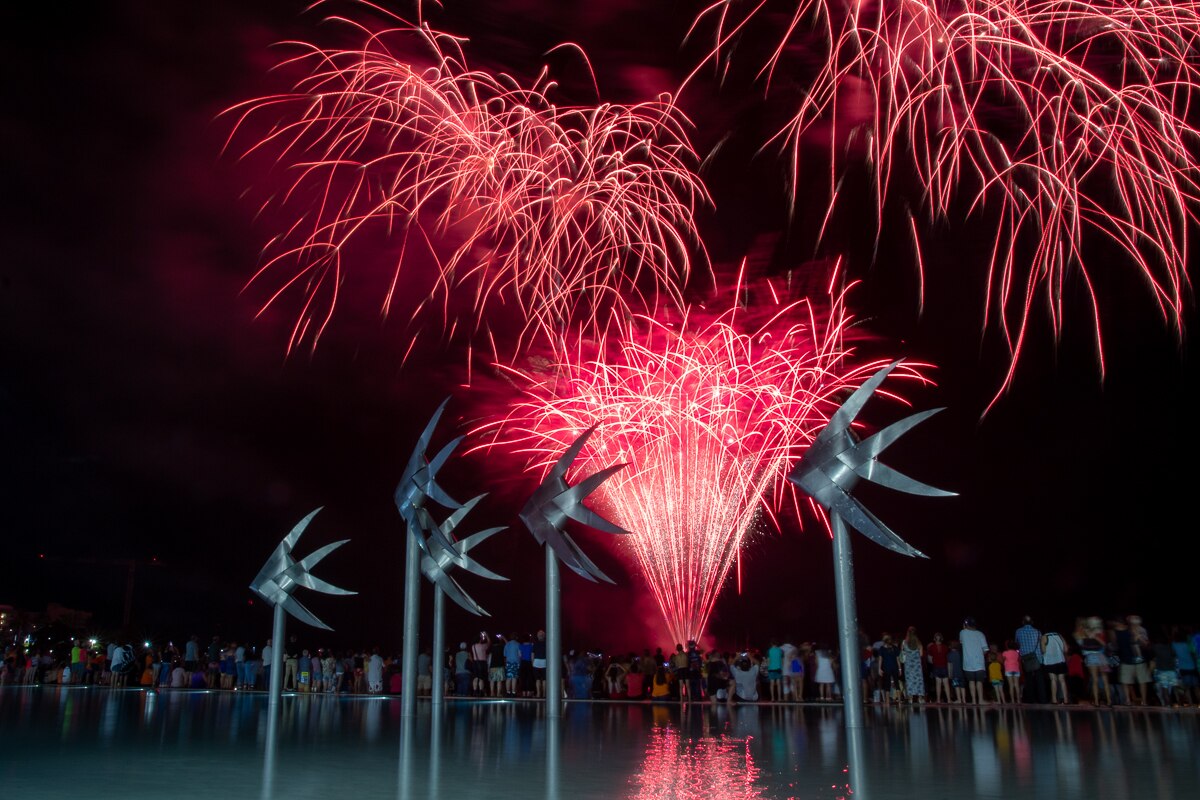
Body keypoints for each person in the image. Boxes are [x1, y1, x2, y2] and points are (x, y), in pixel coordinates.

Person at [1075, 617, 1111, 706]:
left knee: (1104, 679)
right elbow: (1081, 644)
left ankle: (1109, 701)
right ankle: (1097, 701)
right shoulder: (1083, 633)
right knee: (1095, 679)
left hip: (1100, 656)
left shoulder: (1099, 632)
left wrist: (1095, 637)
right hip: (1092, 656)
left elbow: (1104, 644)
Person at [1015, 616, 1046, 703]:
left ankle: (1031, 699)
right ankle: (1042, 699)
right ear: (1032, 622)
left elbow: (1017, 643)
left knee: (1028, 679)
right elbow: (1041, 645)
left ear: (1023, 622)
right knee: (1040, 680)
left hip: (1026, 658)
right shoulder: (1038, 632)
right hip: (1037, 658)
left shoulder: (1018, 631)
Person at [959, 618, 989, 705]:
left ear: (966, 625)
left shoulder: (962, 633)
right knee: (979, 682)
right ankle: (980, 700)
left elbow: (961, 642)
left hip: (968, 662)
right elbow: (985, 650)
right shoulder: (980, 634)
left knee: (971, 681)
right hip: (979, 662)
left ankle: (974, 700)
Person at [1041, 629, 1069, 704]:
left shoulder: (1044, 637)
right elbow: (1066, 649)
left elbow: (1043, 650)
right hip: (1061, 660)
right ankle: (1066, 699)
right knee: (1062, 680)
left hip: (1050, 662)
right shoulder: (1059, 635)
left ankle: (1054, 699)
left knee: (1053, 680)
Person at [900, 627, 926, 703]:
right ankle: (920, 698)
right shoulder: (918, 643)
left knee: (909, 680)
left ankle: (910, 698)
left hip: (908, 665)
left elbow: (902, 653)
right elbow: (921, 654)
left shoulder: (904, 642)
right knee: (919, 680)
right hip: (917, 665)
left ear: (908, 632)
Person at [927, 633, 950, 703]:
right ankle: (949, 700)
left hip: (936, 666)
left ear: (934, 639)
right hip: (944, 666)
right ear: (942, 639)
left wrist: (934, 661)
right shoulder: (945, 647)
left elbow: (929, 659)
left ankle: (938, 700)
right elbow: (948, 658)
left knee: (938, 683)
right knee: (946, 683)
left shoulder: (931, 647)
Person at [504, 633, 522, 698]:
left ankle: (508, 692)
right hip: (516, 663)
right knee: (514, 678)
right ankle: (514, 692)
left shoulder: (507, 644)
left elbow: (505, 655)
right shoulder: (518, 644)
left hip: (508, 662)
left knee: (508, 678)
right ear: (516, 637)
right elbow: (520, 655)